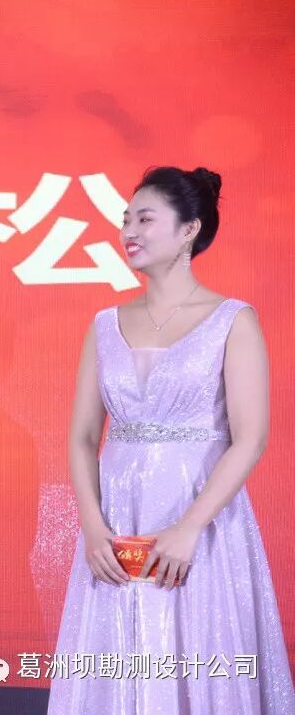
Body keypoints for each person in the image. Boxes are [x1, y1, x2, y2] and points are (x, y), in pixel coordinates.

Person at [48, 166, 294, 713]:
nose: (128, 232)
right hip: (117, 521)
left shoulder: (232, 320)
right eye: (125, 220)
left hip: (199, 517)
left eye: (144, 219)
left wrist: (188, 528)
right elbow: (83, 436)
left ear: (189, 230)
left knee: (198, 653)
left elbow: (250, 439)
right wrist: (93, 526)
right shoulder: (105, 324)